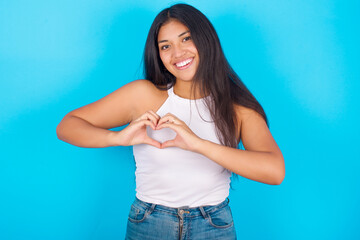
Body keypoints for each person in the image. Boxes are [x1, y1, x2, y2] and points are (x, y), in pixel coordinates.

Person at [56, 3, 285, 240]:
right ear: (158, 54)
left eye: (186, 39)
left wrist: (198, 144)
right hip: (149, 222)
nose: (178, 53)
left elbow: (275, 171)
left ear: (206, 39)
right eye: (166, 46)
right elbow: (68, 125)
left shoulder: (236, 108)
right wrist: (116, 137)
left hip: (213, 225)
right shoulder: (142, 95)